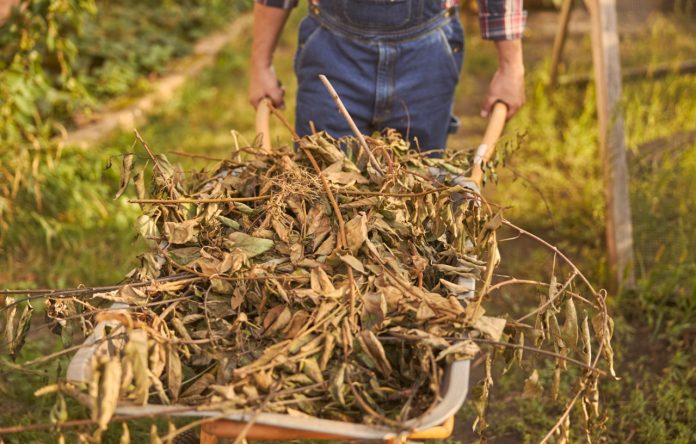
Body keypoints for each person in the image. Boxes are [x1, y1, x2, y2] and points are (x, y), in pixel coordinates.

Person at [249, 0, 525, 153]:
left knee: (418, 205)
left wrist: (510, 65)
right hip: (333, 51)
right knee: (320, 196)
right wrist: (260, 64)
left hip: (425, 54)